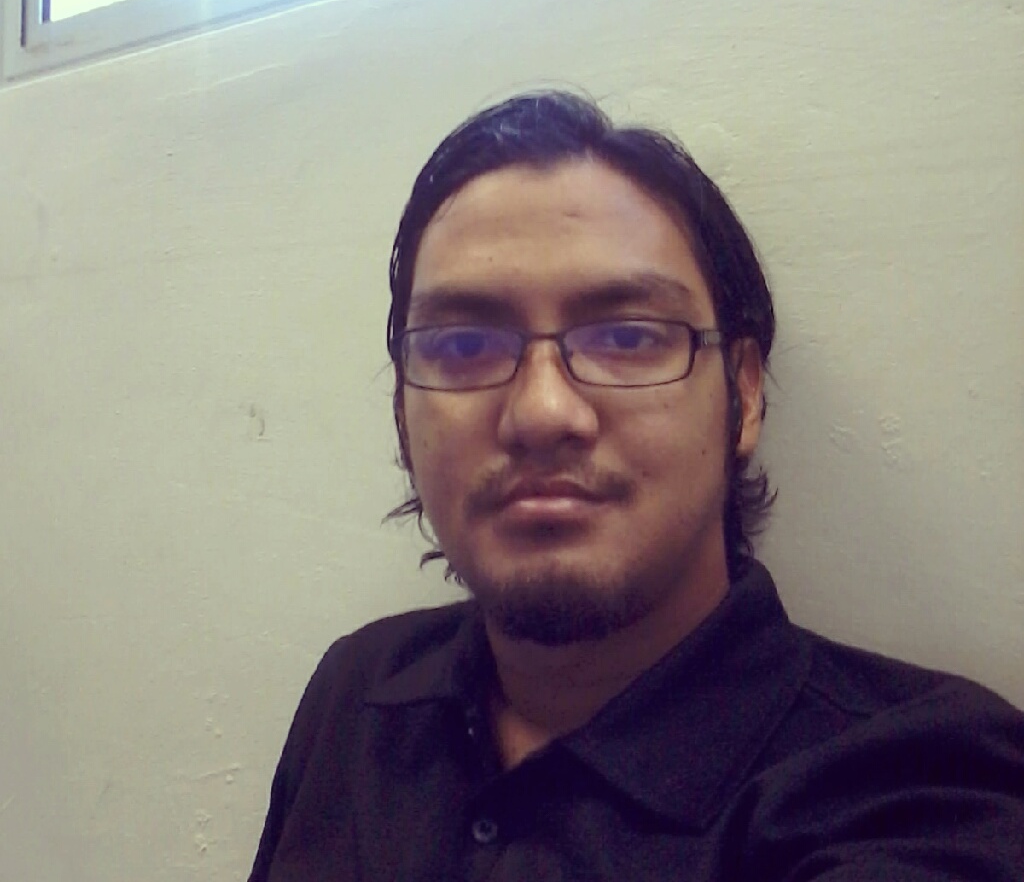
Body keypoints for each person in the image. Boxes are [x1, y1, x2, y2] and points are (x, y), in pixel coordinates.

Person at [248, 91, 1024, 881]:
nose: (542, 413)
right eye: (463, 345)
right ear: (401, 409)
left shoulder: (919, 785)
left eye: (626, 336)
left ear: (745, 394)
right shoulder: (360, 692)